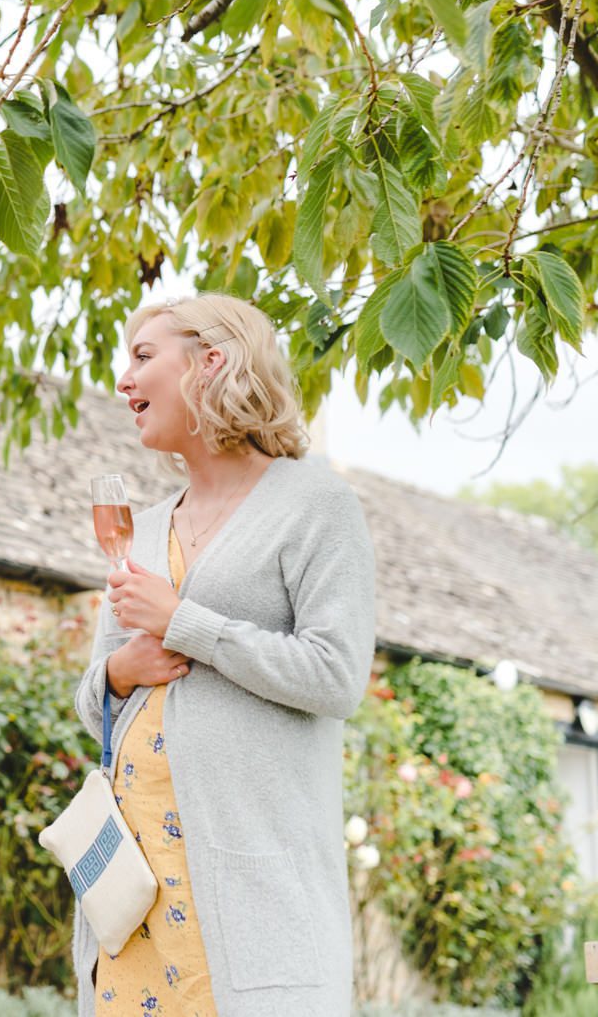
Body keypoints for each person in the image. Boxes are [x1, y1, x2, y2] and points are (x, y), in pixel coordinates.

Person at [74, 294, 376, 1016]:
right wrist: (118, 672)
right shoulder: (142, 530)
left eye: (144, 356)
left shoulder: (317, 505)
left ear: (211, 362)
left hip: (251, 897)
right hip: (132, 890)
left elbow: (337, 677)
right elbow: (96, 704)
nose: (124, 379)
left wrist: (188, 625)